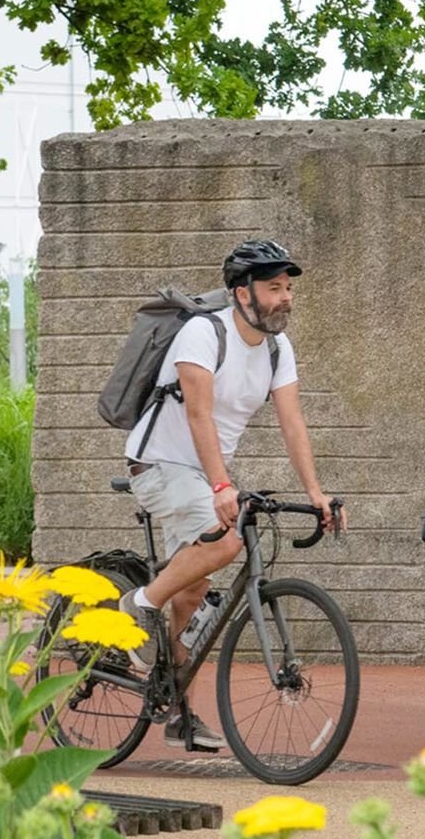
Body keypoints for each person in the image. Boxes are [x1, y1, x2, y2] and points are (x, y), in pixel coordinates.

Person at [119, 239, 341, 751]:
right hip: (158, 464)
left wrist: (315, 492)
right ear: (241, 293)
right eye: (273, 288)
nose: (285, 297)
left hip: (204, 472)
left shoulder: (278, 349)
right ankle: (139, 602)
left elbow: (292, 422)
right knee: (226, 543)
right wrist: (222, 486)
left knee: (194, 594)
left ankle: (178, 712)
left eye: (288, 288)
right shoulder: (203, 332)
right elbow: (198, 415)